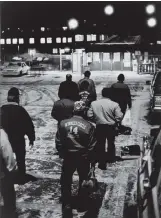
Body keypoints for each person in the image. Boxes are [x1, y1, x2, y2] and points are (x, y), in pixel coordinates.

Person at [55, 101, 97, 215]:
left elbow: (58, 141)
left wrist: (62, 152)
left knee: (66, 180)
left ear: (73, 110)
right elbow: (92, 145)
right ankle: (81, 203)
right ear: (84, 111)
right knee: (83, 180)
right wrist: (91, 159)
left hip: (68, 156)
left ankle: (67, 203)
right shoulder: (89, 126)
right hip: (82, 157)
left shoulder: (63, 123)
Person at [1, 87, 35, 174]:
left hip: (4, 140)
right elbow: (29, 126)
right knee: (21, 159)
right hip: (18, 140)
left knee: (3, 159)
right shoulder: (21, 110)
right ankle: (21, 176)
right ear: (17, 98)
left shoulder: (2, 110)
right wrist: (31, 138)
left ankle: (5, 176)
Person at [87, 88, 123, 169]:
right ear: (110, 95)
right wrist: (115, 121)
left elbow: (89, 115)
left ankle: (101, 161)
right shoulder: (114, 104)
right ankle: (110, 158)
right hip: (111, 126)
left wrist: (96, 120)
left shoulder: (94, 103)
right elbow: (119, 116)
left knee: (100, 144)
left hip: (100, 126)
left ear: (102, 94)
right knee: (111, 143)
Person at [0, 128, 17, 218]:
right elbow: (8, 154)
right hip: (2, 174)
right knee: (9, 203)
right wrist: (11, 169)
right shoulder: (1, 133)